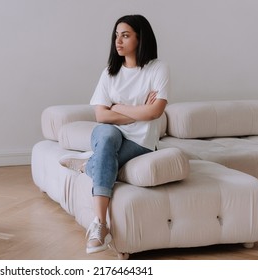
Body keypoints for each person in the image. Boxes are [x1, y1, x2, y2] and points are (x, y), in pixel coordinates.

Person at [60, 14, 170, 254]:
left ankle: (88, 165)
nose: (118, 41)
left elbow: (156, 112)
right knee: (108, 136)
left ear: (141, 39)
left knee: (103, 162)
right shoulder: (109, 72)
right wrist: (140, 111)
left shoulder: (156, 68)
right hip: (108, 134)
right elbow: (101, 116)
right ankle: (100, 225)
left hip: (140, 141)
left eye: (126, 35)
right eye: (116, 35)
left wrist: (117, 108)